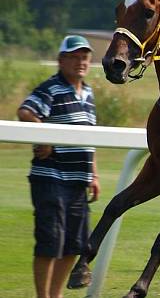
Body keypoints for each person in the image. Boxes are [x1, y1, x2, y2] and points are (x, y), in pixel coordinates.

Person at [17, 35, 100, 298]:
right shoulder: (50, 88)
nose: (80, 62)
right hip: (51, 178)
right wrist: (47, 137)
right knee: (50, 242)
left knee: (75, 245)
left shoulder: (87, 92)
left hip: (78, 180)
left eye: (84, 58)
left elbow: (90, 137)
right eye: (74, 57)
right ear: (61, 60)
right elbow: (26, 111)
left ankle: (55, 295)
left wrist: (94, 174)